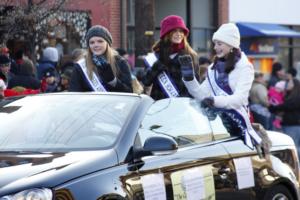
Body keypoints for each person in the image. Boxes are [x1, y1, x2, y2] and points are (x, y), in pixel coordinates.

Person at [180, 23, 264, 150]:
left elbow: (239, 99)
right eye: (215, 44)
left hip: (239, 124)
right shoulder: (213, 69)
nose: (215, 47)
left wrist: (215, 100)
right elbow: (201, 95)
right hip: (218, 126)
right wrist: (189, 79)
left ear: (231, 45)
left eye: (219, 44)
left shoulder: (245, 67)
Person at [142, 15, 198, 100]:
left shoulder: (190, 55)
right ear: (167, 33)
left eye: (181, 31)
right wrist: (160, 63)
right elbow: (146, 81)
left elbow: (196, 85)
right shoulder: (156, 56)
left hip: (182, 106)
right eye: (175, 31)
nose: (179, 34)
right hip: (159, 104)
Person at [69, 25, 132, 92]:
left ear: (107, 43)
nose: (96, 45)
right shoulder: (80, 67)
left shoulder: (120, 62)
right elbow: (74, 93)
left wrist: (113, 82)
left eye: (100, 41)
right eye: (92, 42)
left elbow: (129, 92)